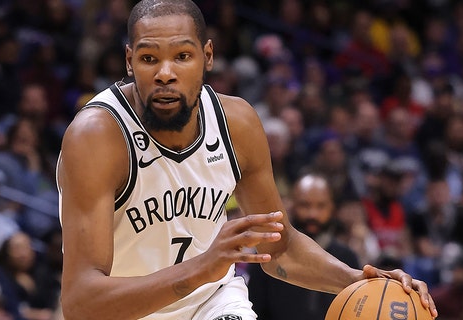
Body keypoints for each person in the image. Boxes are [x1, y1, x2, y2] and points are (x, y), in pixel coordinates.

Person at [55, 1, 438, 319]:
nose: (165, 73)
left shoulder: (236, 124)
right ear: (129, 61)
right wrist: (201, 268)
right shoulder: (97, 137)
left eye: (182, 56)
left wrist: (361, 281)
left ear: (207, 56)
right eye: (149, 58)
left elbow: (280, 247)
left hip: (213, 303)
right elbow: (80, 302)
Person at [248, 173, 360, 320]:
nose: (312, 214)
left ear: (332, 207)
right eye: (304, 205)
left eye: (321, 206)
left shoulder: (347, 257)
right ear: (291, 205)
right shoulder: (269, 254)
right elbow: (254, 309)